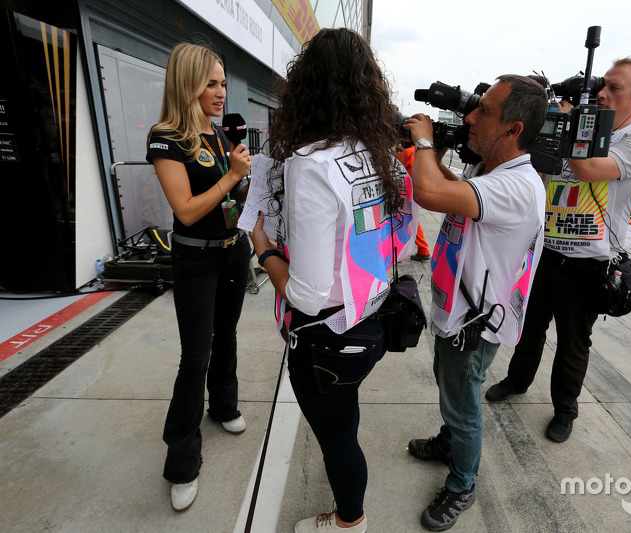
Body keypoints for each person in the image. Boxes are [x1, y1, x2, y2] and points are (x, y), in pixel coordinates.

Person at [249, 28, 417, 533]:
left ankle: (349, 522)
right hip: (371, 317)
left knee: (339, 439)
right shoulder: (381, 155)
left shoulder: (310, 162)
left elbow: (305, 291)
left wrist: (263, 247)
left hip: (326, 336)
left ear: (305, 87)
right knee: (345, 421)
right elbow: (404, 242)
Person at [485, 58, 631, 444]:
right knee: (528, 327)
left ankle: (565, 409)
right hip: (545, 250)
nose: (602, 92)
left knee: (573, 342)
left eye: (614, 88)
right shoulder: (576, 127)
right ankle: (517, 381)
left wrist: (569, 123)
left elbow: (587, 170)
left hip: (591, 262)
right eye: (602, 85)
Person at [403, 74, 547, 531]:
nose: (469, 116)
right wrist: (436, 153)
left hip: (475, 323)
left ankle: (462, 483)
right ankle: (449, 443)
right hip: (460, 312)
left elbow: (428, 192)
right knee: (450, 387)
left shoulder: (517, 186)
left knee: (463, 404)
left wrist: (424, 141)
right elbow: (452, 193)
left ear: (513, 128)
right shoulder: (491, 173)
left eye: (483, 110)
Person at [146, 42, 252, 511]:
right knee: (196, 355)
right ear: (186, 82)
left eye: (223, 82)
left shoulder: (217, 134)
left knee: (226, 335)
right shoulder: (166, 137)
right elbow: (187, 211)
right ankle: (182, 461)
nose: (221, 92)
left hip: (233, 253)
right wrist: (232, 177)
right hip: (195, 259)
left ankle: (224, 405)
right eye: (211, 82)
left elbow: (230, 196)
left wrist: (249, 180)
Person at [395, 142, 432, 260]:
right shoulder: (423, 152)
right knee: (411, 219)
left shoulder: (407, 153)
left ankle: (420, 249)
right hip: (416, 190)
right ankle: (422, 249)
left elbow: (393, 168)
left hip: (405, 192)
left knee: (402, 220)